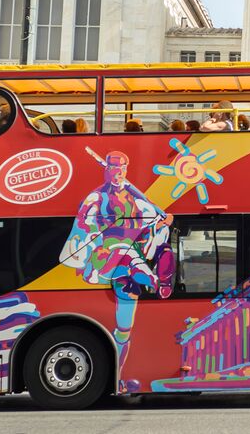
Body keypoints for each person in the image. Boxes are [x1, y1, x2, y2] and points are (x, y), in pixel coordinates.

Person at [60, 150, 174, 394]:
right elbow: (82, 228)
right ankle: (154, 280)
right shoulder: (95, 198)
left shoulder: (137, 200)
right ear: (106, 169)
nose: (117, 171)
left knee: (124, 328)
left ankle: (118, 378)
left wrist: (162, 222)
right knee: (128, 255)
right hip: (106, 257)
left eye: (121, 167)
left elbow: (153, 221)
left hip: (128, 267)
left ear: (126, 168)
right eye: (113, 167)